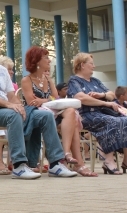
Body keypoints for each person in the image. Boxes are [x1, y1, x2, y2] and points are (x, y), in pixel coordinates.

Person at [0, 31, 77, 179]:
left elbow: (11, 95)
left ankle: (56, 163)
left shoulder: (1, 70)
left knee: (44, 115)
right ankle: (19, 165)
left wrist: (19, 106)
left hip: (5, 108)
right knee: (14, 114)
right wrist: (11, 106)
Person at [21, 46, 95, 177]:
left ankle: (65, 154)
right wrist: (46, 100)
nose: (49, 61)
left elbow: (55, 98)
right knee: (70, 118)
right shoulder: (27, 80)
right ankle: (75, 162)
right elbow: (31, 102)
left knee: (71, 111)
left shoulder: (48, 79)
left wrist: (43, 98)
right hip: (37, 114)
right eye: (46, 58)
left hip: (53, 113)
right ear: (37, 61)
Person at [67, 53, 127, 175]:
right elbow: (81, 98)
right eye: (91, 64)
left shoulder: (95, 81)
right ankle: (108, 160)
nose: (94, 66)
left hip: (102, 113)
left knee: (126, 120)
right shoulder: (74, 81)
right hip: (86, 114)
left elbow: (111, 94)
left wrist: (102, 95)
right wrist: (106, 103)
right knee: (111, 121)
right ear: (82, 65)